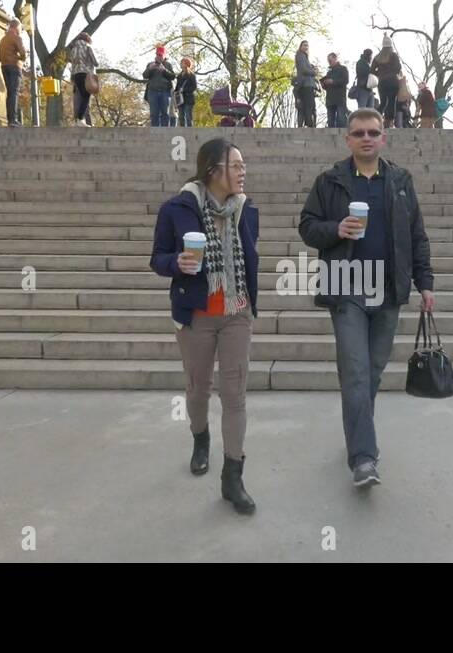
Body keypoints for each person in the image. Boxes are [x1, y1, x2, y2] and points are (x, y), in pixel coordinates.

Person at [298, 108, 435, 487]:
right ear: (348, 139)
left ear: (383, 137)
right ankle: (363, 459)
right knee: (356, 373)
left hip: (389, 290)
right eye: (359, 133)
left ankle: (361, 439)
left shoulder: (401, 181)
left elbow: (417, 236)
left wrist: (425, 283)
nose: (366, 138)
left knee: (371, 372)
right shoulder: (330, 181)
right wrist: (336, 229)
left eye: (373, 132)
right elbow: (307, 226)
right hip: (348, 287)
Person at [150, 138, 260, 515]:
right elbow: (157, 257)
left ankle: (233, 475)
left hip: (236, 310)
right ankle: (200, 438)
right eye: (237, 165)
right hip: (196, 313)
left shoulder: (247, 209)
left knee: (235, 394)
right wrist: (175, 263)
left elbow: (248, 257)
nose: (243, 172)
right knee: (198, 389)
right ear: (213, 169)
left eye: (244, 165)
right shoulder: (178, 209)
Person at [0, 19, 27, 127]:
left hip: (4, 67)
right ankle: (13, 119)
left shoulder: (3, 39)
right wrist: (19, 58)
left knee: (10, 93)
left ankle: (10, 119)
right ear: (16, 27)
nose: (20, 30)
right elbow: (23, 53)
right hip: (14, 66)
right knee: (14, 92)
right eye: (20, 28)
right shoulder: (17, 38)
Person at [68, 32, 98, 127]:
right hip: (86, 74)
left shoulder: (73, 49)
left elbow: (71, 61)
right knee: (86, 96)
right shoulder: (88, 47)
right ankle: (80, 119)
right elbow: (95, 62)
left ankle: (80, 119)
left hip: (76, 75)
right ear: (87, 39)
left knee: (80, 96)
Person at [371, 35, 402, 128]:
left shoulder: (377, 57)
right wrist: (392, 72)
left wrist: (379, 74)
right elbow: (398, 68)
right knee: (392, 101)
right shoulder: (393, 55)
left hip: (382, 82)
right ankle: (389, 122)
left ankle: (376, 119)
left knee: (383, 101)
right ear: (391, 45)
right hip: (393, 81)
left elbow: (371, 70)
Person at [143, 46, 176, 127]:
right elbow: (144, 75)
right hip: (152, 91)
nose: (159, 56)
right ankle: (155, 131)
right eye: (158, 55)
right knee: (154, 113)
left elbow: (172, 76)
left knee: (165, 112)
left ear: (164, 55)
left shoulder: (168, 65)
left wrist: (164, 70)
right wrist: (149, 69)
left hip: (165, 91)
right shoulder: (150, 64)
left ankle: (165, 131)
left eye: (161, 55)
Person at [322, 53, 349, 129]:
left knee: (341, 121)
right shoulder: (329, 72)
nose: (329, 62)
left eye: (330, 60)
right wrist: (324, 85)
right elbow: (327, 86)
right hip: (330, 99)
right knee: (330, 122)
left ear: (335, 58)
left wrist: (333, 81)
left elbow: (345, 81)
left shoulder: (343, 69)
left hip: (340, 98)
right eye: (328, 61)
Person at [295, 40, 318, 128]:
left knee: (307, 105)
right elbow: (303, 69)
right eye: (304, 45)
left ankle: (308, 123)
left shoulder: (304, 57)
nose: (306, 47)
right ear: (300, 46)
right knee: (309, 105)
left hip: (306, 84)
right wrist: (313, 72)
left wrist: (312, 67)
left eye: (307, 46)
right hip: (306, 84)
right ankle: (309, 124)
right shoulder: (300, 55)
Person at [176, 57, 197, 127]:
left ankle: (190, 132)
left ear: (186, 64)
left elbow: (194, 87)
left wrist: (184, 90)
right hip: (180, 99)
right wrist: (175, 92)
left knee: (188, 116)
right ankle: (182, 132)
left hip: (188, 98)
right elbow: (177, 86)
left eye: (182, 63)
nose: (181, 64)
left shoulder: (191, 75)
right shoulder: (179, 76)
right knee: (181, 117)